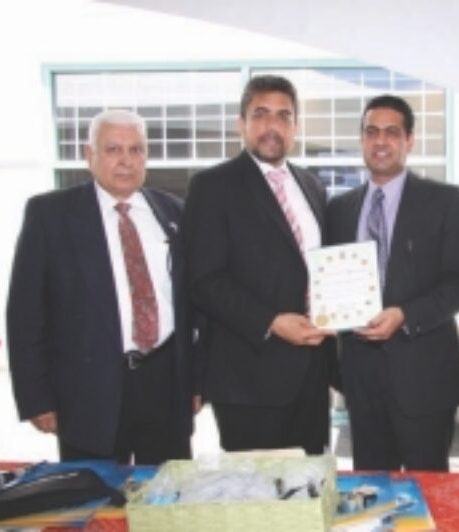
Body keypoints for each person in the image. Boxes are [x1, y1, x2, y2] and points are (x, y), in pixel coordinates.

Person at [6, 109, 199, 465]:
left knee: (165, 502)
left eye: (136, 150)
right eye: (113, 150)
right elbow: (25, 313)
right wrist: (36, 397)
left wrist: (197, 382)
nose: (126, 161)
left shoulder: (174, 212)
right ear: (89, 155)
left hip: (165, 384)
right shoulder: (50, 215)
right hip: (87, 389)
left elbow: (194, 305)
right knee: (95, 505)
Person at [182, 75, 334, 454]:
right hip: (249, 379)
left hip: (312, 377)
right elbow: (205, 281)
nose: (273, 125)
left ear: (295, 127)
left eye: (284, 116)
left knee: (310, 490)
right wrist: (271, 322)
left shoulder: (311, 186)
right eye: (261, 114)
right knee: (256, 502)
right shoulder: (212, 187)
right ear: (242, 124)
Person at [326, 94, 459, 471]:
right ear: (361, 140)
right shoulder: (339, 209)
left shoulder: (445, 200)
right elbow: (331, 283)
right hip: (361, 381)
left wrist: (404, 315)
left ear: (410, 140)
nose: (381, 141)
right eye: (372, 132)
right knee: (373, 493)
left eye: (392, 132)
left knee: (428, 495)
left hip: (425, 379)